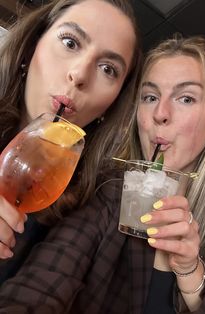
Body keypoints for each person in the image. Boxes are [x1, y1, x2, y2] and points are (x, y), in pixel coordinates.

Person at [0, 34, 205, 313]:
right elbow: (38, 288)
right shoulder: (105, 195)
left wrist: (191, 271)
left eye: (185, 98)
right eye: (150, 97)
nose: (160, 113)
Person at [0, 0, 142, 280]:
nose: (78, 75)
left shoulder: (90, 205)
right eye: (70, 42)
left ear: (112, 104)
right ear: (32, 47)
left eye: (108, 69)